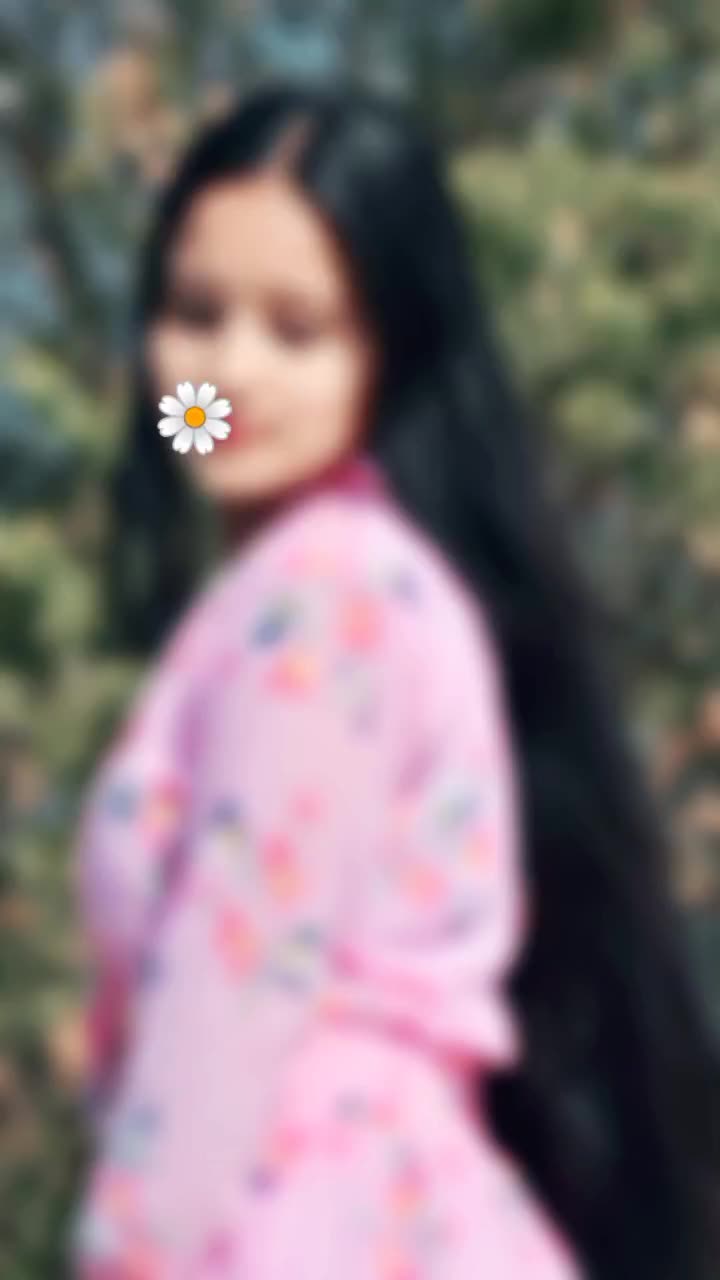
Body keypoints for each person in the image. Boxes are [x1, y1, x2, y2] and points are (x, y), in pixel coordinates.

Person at [68, 79, 720, 1280]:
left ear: (389, 355)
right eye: (195, 313)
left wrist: (128, 1254)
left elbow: (234, 969)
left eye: (296, 329)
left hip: (303, 1214)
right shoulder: (324, 592)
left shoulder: (330, 601)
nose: (226, 373)